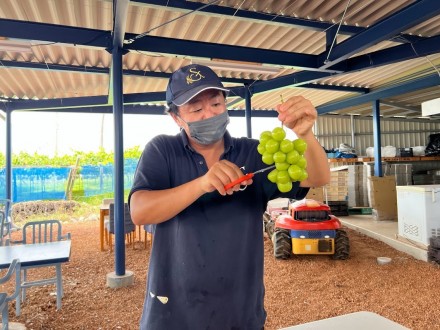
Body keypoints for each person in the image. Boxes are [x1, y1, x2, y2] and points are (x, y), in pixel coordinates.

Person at [129, 64, 330, 330]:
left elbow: (316, 177)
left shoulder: (253, 152)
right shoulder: (162, 150)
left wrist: (305, 133)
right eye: (196, 109)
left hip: (239, 311)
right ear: (177, 118)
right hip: (172, 312)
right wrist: (202, 184)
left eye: (216, 103)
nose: (209, 114)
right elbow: (140, 211)